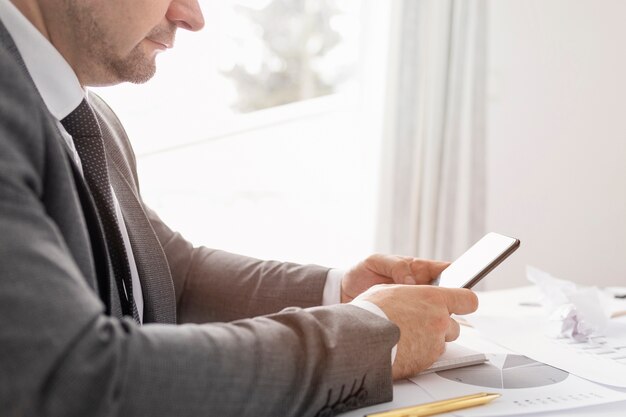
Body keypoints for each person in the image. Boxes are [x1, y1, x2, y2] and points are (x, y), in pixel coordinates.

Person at [0, 0, 478, 416]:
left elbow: (172, 279)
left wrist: (339, 290)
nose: (191, 17)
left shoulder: (82, 112)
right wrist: (370, 334)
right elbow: (76, 380)